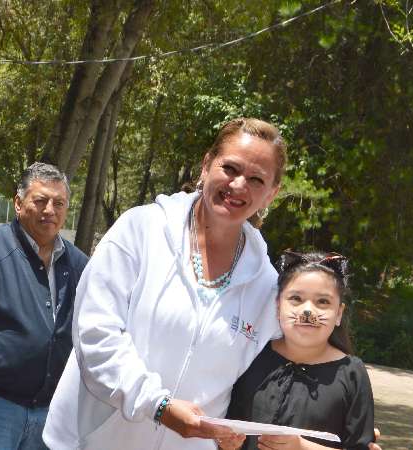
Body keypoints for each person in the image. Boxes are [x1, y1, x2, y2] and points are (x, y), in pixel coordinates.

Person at [43, 117, 286, 450]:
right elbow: (95, 334)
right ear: (206, 165)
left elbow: (292, 368)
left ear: (272, 193)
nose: (239, 185)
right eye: (230, 168)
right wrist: (158, 406)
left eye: (257, 179)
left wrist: (347, 432)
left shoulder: (269, 288)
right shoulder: (140, 230)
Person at [0, 162, 89, 450]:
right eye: (40, 201)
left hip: (48, 413)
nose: (50, 210)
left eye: (59, 203)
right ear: (18, 203)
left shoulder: (79, 264)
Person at [224, 251, 376, 450]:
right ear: (278, 307)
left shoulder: (352, 373)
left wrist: (302, 447)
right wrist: (226, 442)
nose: (308, 311)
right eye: (296, 298)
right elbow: (225, 421)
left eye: (323, 302)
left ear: (339, 313)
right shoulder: (252, 355)